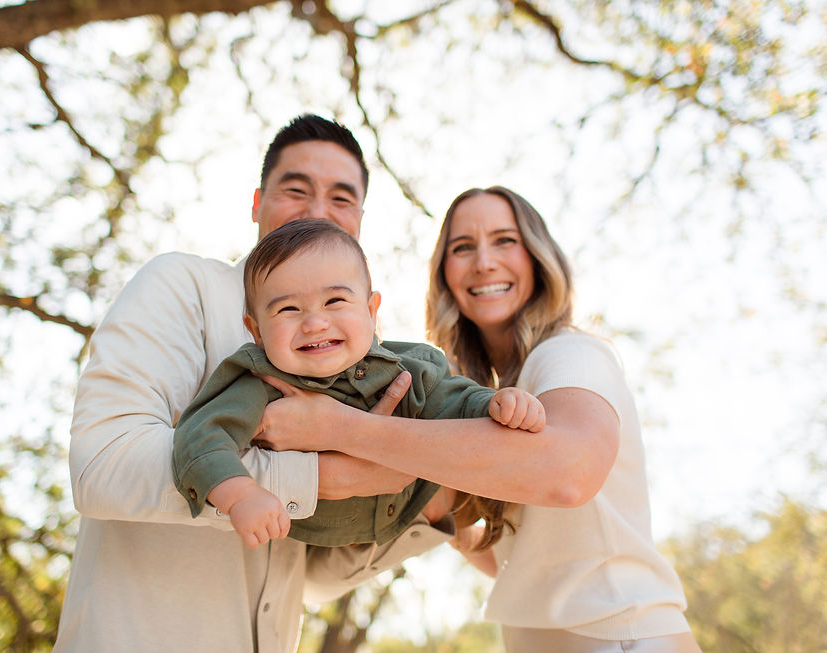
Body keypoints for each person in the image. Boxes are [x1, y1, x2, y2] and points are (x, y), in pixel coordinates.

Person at [54, 115, 457, 653]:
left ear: (359, 220)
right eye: (296, 189)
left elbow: (310, 576)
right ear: (256, 203)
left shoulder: (359, 356)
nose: (318, 211)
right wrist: (324, 476)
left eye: (341, 199)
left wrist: (414, 503)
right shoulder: (184, 285)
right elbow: (102, 463)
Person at [256, 186, 701, 652]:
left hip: (624, 635)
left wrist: (340, 427)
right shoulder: (472, 399)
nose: (484, 261)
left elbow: (570, 474)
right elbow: (492, 548)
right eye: (462, 247)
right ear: (444, 275)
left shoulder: (569, 353)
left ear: (538, 258)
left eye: (505, 240)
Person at [172, 218, 545, 549]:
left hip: (409, 512)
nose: (315, 323)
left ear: (371, 312)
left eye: (335, 300)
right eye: (288, 309)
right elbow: (200, 438)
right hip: (313, 536)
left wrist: (499, 403)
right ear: (254, 330)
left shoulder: (410, 370)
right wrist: (240, 495)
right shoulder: (258, 381)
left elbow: (457, 403)